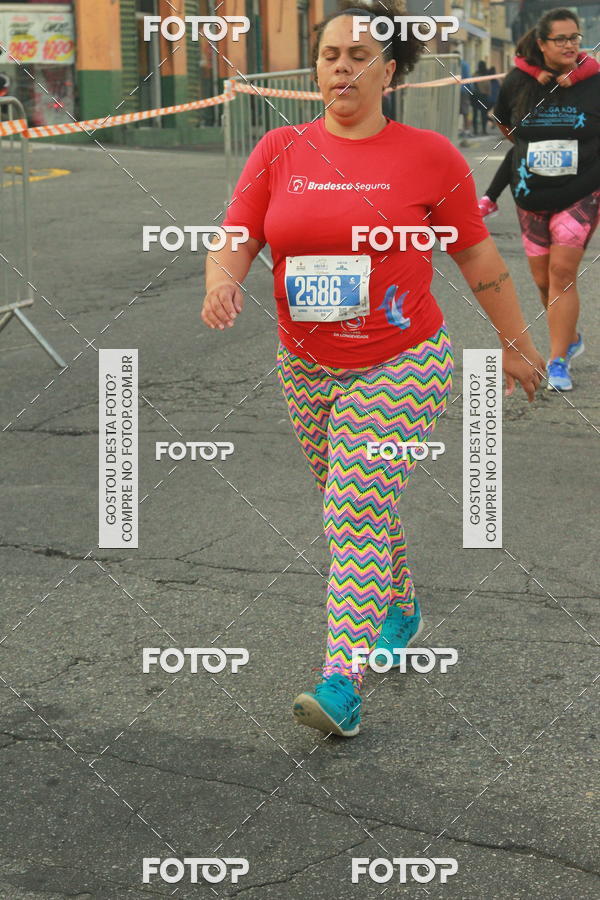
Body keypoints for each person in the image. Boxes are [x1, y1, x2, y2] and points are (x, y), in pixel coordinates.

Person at [201, 1, 545, 738]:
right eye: (330, 55)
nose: (342, 67)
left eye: (360, 55)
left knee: (351, 506)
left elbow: (478, 258)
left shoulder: (430, 158)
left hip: (403, 361)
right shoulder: (280, 149)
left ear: (390, 70)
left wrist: (516, 343)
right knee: (353, 497)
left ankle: (341, 682)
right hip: (306, 366)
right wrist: (222, 277)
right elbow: (238, 230)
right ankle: (400, 605)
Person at [493, 7, 600, 391]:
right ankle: (569, 338)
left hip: (582, 191)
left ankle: (558, 362)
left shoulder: (594, 80)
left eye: (575, 37)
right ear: (542, 43)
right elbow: (505, 122)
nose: (571, 45)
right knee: (542, 278)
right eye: (561, 39)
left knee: (562, 273)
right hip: (531, 192)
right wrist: (529, 151)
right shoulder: (519, 81)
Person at [479, 46, 600, 218]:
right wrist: (537, 73)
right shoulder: (529, 71)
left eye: (571, 39)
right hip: (535, 181)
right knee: (515, 153)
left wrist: (573, 77)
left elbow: (591, 65)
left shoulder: (579, 63)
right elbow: (520, 62)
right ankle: (490, 198)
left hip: (580, 138)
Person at [470, 61, 491, 135]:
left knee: (475, 114)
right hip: (484, 96)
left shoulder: (475, 75)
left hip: (475, 96)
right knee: (484, 114)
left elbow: (471, 85)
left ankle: (475, 130)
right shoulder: (486, 75)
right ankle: (484, 130)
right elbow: (488, 87)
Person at [459, 59, 472, 136]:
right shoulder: (465, 64)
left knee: (455, 111)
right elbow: (468, 78)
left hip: (453, 90)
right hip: (464, 90)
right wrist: (471, 90)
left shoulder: (450, 64)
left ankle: (457, 128)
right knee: (465, 111)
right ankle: (466, 129)